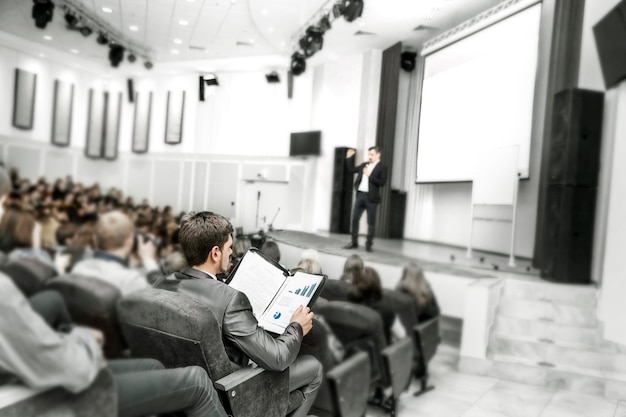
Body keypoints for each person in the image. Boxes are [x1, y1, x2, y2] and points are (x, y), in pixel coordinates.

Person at [153, 211, 323, 417]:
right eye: (229, 247)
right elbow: (277, 358)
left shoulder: (161, 284)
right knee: (314, 368)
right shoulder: (229, 299)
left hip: (180, 388)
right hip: (233, 393)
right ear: (215, 253)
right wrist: (296, 327)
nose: (231, 252)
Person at [0, 272, 227, 417]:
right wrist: (85, 339)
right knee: (197, 381)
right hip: (34, 397)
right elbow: (73, 371)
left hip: (24, 374)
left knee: (152, 366)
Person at [71, 210, 160, 295]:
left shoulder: (79, 268)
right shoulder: (132, 281)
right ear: (130, 241)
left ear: (95, 239)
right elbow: (163, 304)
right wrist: (149, 261)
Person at [343, 146, 387, 252]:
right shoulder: (364, 165)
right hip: (360, 196)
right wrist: (348, 158)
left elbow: (382, 182)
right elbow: (351, 170)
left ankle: (368, 245)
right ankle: (354, 242)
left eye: (372, 154)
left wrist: (369, 175)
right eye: (369, 154)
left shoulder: (382, 167)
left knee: (370, 222)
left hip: (371, 198)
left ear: (378, 155)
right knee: (354, 219)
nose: (370, 156)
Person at [347, 266, 405, 344]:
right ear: (377, 283)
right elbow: (400, 335)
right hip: (382, 350)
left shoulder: (350, 305)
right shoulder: (387, 309)